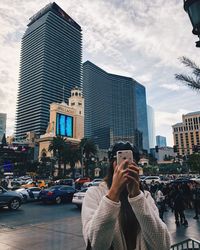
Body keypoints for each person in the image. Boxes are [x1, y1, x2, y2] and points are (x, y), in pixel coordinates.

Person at [82, 141, 171, 250]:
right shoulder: (94, 193)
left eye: (131, 163)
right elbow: (96, 245)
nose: (126, 167)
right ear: (112, 165)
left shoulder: (145, 196)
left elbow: (162, 245)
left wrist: (136, 196)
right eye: (120, 162)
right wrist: (113, 193)